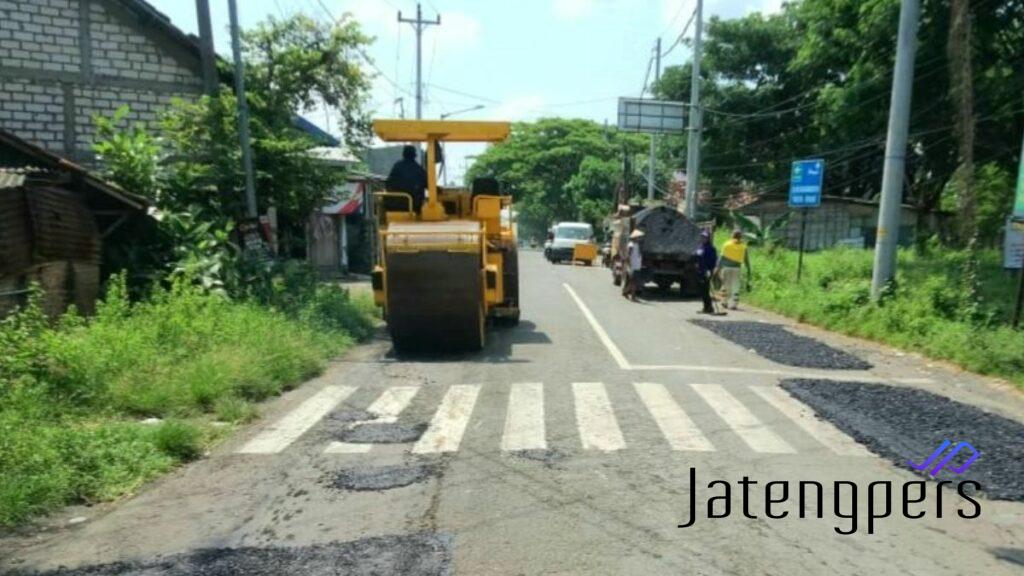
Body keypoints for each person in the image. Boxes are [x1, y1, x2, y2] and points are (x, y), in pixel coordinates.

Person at [385, 145, 428, 213]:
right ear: (415, 155)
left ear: (403, 154)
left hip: (394, 205)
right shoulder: (419, 169)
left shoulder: (397, 166)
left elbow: (388, 183)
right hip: (413, 207)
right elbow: (428, 185)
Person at [718, 229, 750, 310]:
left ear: (732, 236)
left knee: (725, 286)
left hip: (727, 268)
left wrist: (717, 268)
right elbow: (746, 260)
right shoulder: (743, 247)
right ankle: (734, 304)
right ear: (741, 237)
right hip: (737, 268)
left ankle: (724, 302)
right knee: (735, 286)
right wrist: (749, 269)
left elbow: (721, 258)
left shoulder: (726, 245)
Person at [695, 230, 718, 314]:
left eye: (705, 237)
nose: (703, 238)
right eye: (702, 237)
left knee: (705, 290)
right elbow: (698, 257)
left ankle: (709, 308)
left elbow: (713, 261)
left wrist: (709, 270)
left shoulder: (711, 248)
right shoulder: (701, 247)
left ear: (708, 238)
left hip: (706, 271)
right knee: (702, 290)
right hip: (700, 271)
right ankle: (705, 307)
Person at [622, 229, 645, 301]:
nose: (640, 238)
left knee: (632, 281)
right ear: (635, 237)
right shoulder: (631, 245)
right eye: (639, 237)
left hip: (636, 266)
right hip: (633, 266)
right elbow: (628, 255)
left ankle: (625, 292)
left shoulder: (637, 244)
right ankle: (633, 296)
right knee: (634, 282)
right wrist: (629, 266)